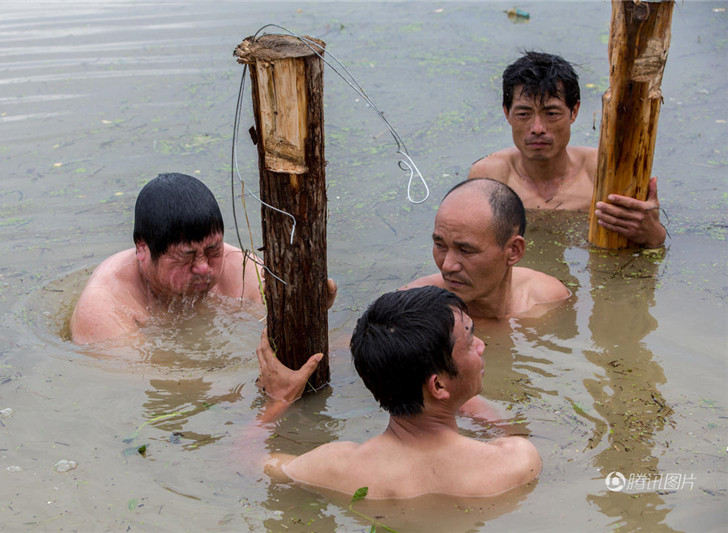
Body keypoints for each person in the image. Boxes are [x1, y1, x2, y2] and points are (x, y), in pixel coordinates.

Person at [256, 286, 542, 499]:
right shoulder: (515, 462)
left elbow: (246, 462)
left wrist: (278, 401)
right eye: (469, 341)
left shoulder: (335, 467)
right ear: (438, 386)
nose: (481, 346)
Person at [469, 51, 667, 248]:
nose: (537, 128)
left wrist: (653, 234)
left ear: (574, 111)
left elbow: (649, 242)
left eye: (552, 113)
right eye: (523, 114)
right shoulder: (490, 177)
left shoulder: (605, 172)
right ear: (507, 113)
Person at [69, 173, 263, 344]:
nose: (203, 267)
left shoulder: (246, 272)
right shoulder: (104, 307)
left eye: (213, 250)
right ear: (142, 249)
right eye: (186, 256)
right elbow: (137, 380)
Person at [402, 178, 569, 320]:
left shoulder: (549, 300)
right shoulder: (412, 310)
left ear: (514, 251)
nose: (447, 266)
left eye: (465, 250)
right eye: (440, 245)